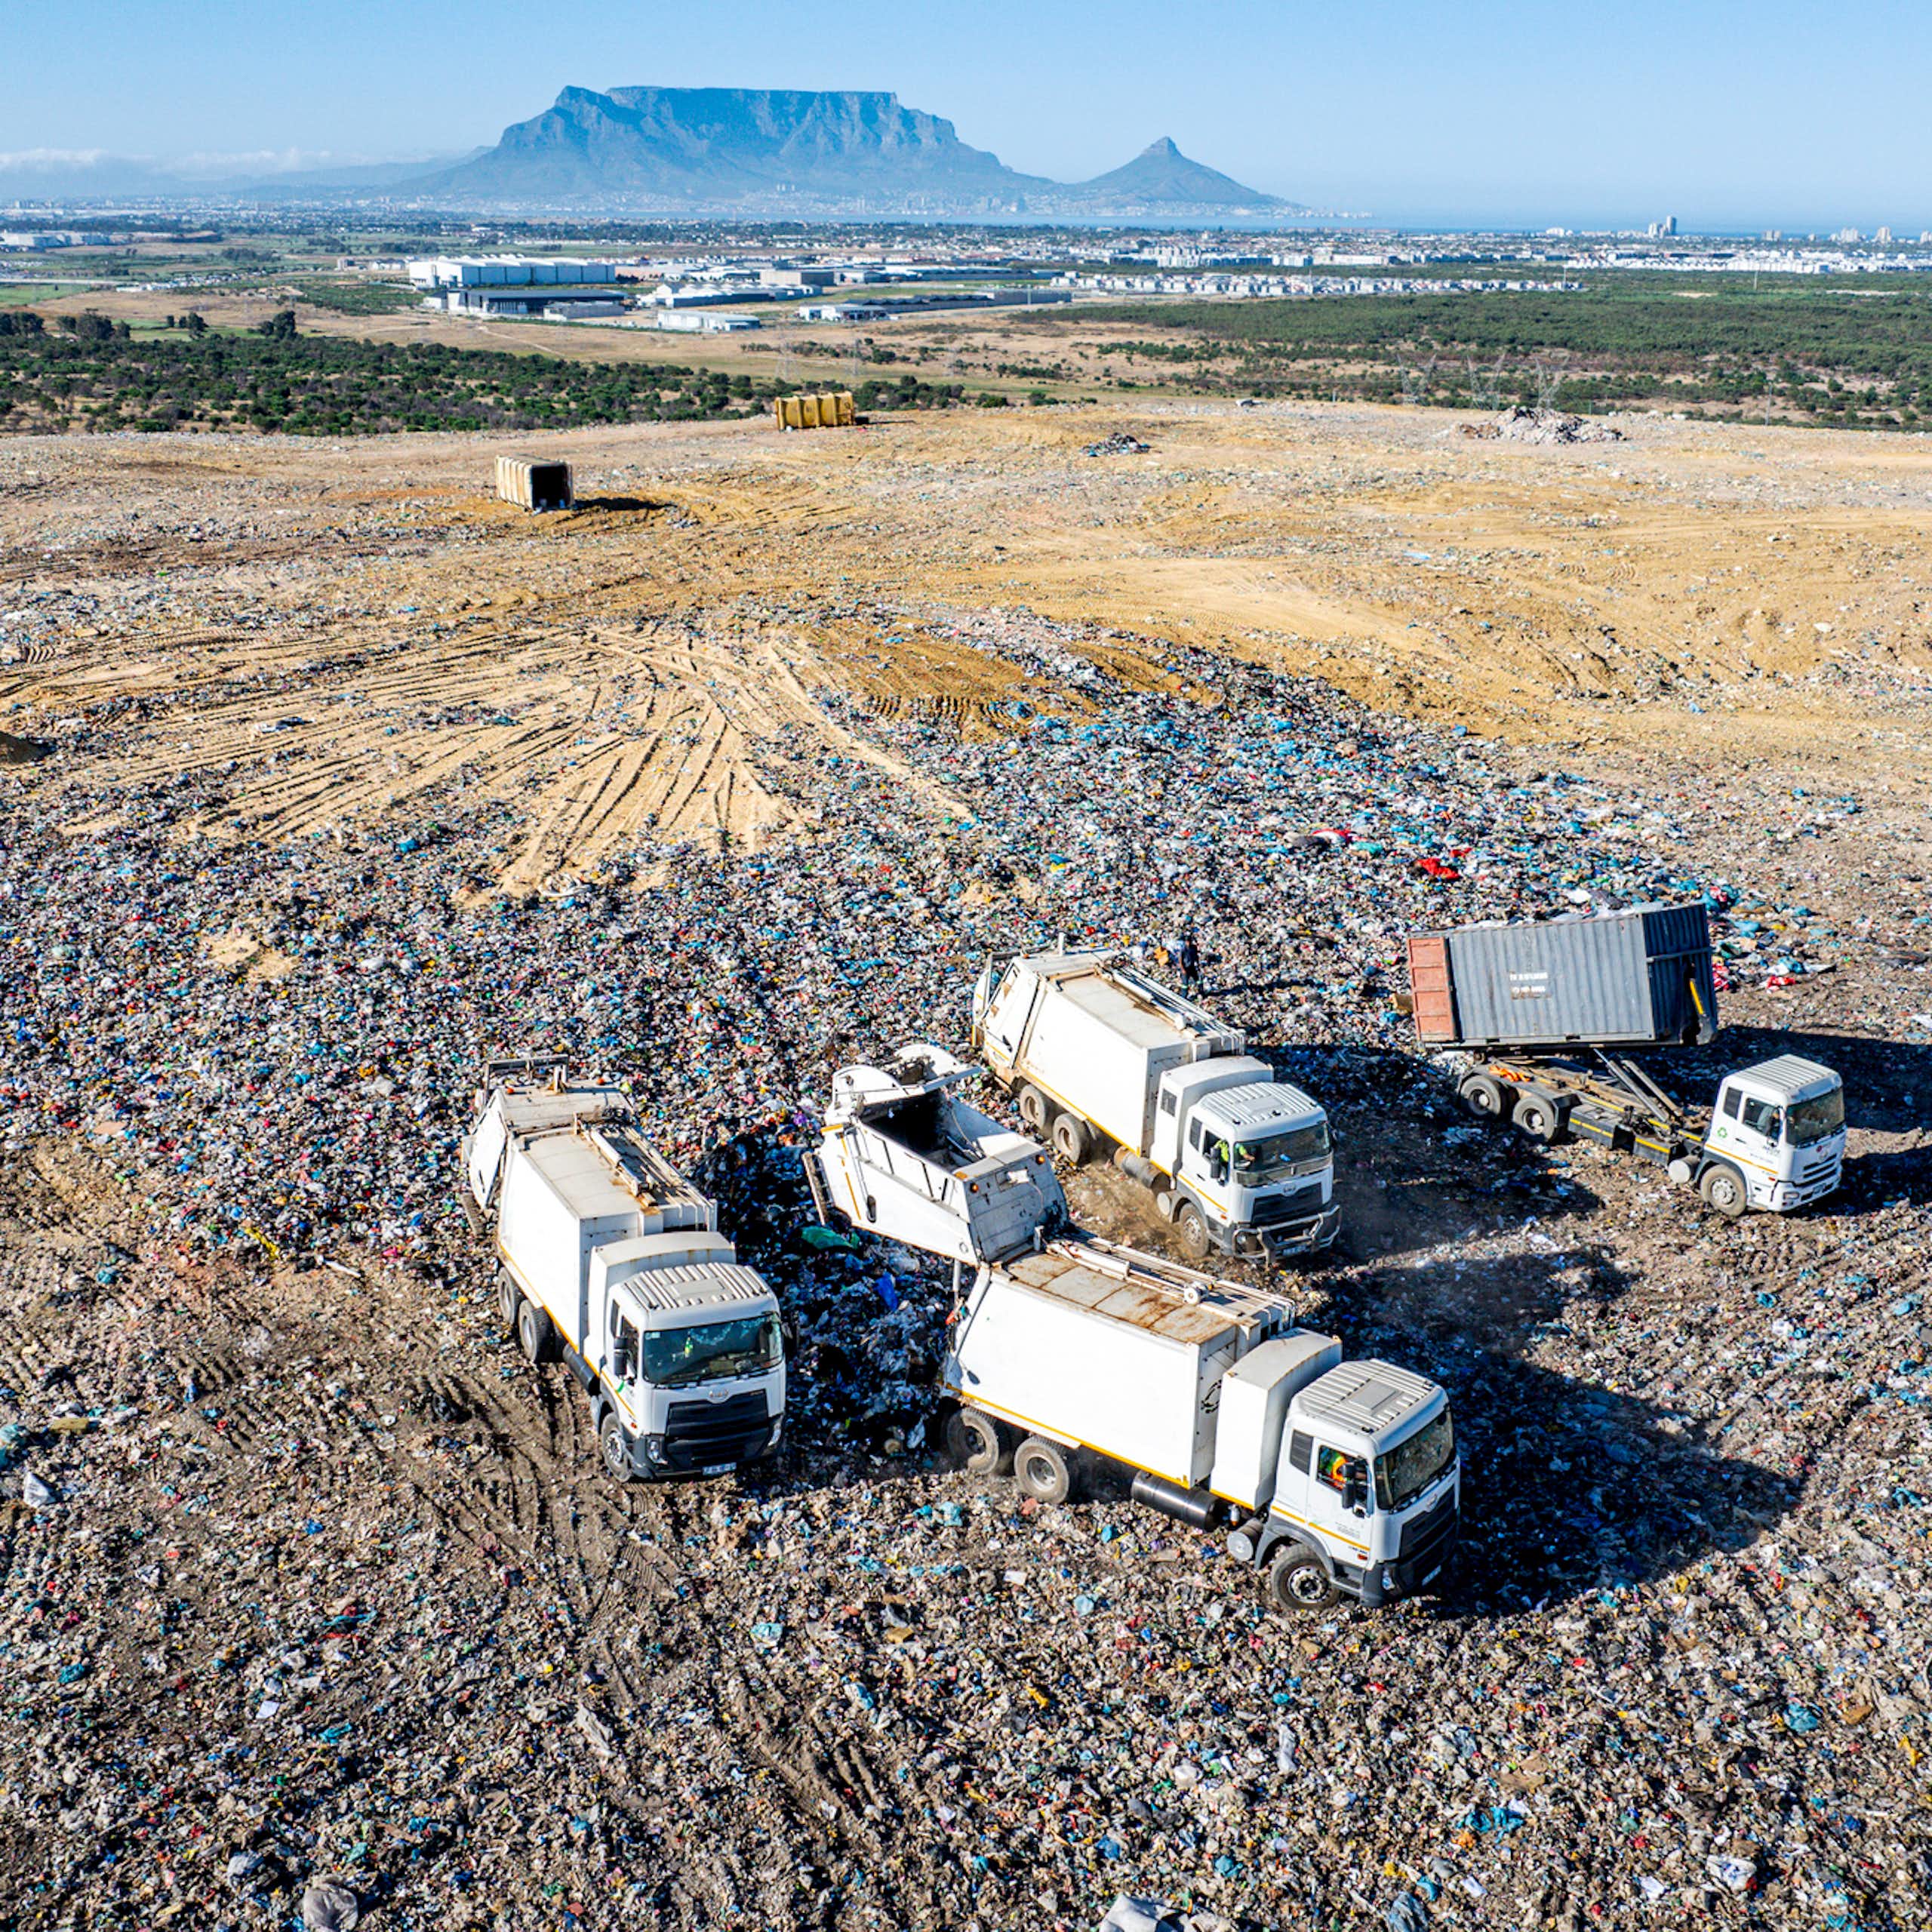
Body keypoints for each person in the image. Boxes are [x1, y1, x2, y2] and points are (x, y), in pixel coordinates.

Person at [1178, 924, 1201, 995]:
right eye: (1187, 942)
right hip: (1186, 967)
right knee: (1185, 984)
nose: (1188, 943)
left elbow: (1196, 956)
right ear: (1185, 942)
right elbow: (1180, 960)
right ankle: (1184, 996)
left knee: (1198, 980)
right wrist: (1183, 969)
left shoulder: (1193, 948)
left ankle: (1201, 992)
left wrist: (1198, 964)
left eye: (1189, 941)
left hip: (1192, 967)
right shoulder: (1183, 949)